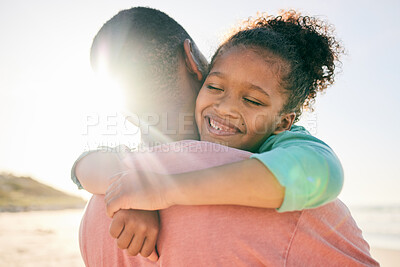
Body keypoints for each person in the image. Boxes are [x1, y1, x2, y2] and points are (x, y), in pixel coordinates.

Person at [74, 7, 379, 266]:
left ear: (284, 121)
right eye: (216, 87)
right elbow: (83, 165)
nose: (227, 108)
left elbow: (324, 172)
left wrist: (164, 189)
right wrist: (131, 192)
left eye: (253, 101)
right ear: (195, 63)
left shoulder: (284, 143)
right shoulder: (142, 165)